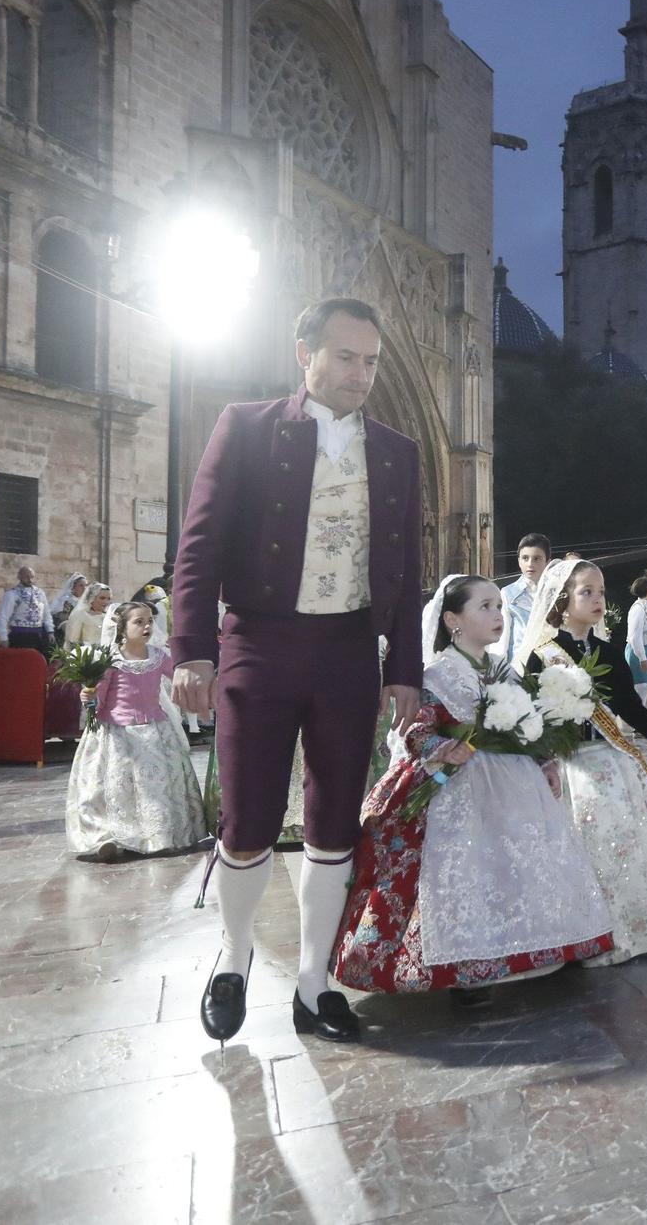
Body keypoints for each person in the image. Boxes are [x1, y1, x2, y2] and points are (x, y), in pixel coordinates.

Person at [171, 297, 424, 1047]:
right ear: (304, 353)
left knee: (336, 817)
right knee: (246, 818)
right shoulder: (246, 426)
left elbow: (407, 572)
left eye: (372, 361)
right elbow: (199, 543)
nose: (361, 373)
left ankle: (316, 981)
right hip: (258, 638)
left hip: (348, 648)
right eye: (346, 357)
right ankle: (235, 953)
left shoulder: (397, 450)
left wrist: (402, 667)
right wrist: (192, 648)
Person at [334, 575, 616, 996]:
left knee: (520, 860)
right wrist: (443, 747)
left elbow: (526, 727)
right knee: (466, 866)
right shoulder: (438, 674)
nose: (497, 615)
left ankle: (535, 946)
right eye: (485, 607)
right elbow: (414, 730)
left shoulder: (503, 669)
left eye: (499, 607)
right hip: (455, 783)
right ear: (453, 620)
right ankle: (466, 967)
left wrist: (544, 760)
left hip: (511, 779)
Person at [520, 558, 647, 964]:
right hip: (567, 766)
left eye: (601, 592)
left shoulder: (607, 650)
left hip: (612, 761)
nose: (598, 599)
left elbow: (627, 706)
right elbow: (531, 717)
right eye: (587, 592)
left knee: (634, 839)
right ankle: (580, 936)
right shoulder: (542, 655)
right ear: (562, 601)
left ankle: (634, 926)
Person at [64, 600, 206, 861]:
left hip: (156, 731)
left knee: (155, 787)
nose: (147, 626)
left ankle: (160, 834)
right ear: (122, 628)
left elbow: (179, 675)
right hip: (118, 733)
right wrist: (89, 695)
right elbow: (100, 700)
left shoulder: (158, 656)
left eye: (149, 621)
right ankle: (108, 837)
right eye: (138, 622)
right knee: (116, 788)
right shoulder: (110, 661)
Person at [499, 534, 551, 664]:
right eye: (525, 558)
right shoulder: (508, 593)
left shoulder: (556, 592)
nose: (530, 564)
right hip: (519, 666)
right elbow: (502, 637)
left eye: (537, 559)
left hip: (551, 664)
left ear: (547, 562)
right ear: (519, 561)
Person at [0, 565, 54, 657]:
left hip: (38, 637)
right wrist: (4, 638)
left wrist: (50, 631)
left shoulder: (40, 593)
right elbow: (2, 617)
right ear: (19, 577)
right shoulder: (12, 594)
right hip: (19, 637)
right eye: (27, 577)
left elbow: (46, 614)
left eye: (32, 577)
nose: (30, 580)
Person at [48, 573, 89, 640]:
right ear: (73, 587)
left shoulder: (86, 602)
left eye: (86, 585)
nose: (84, 588)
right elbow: (63, 620)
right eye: (81, 585)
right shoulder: (67, 601)